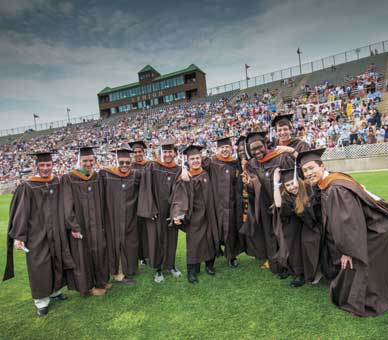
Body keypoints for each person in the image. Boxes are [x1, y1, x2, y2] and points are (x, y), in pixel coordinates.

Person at [298, 149, 388, 316]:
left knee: (361, 265)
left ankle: (368, 301)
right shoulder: (332, 180)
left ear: (322, 166)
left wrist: (348, 251)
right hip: (372, 226)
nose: (309, 173)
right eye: (305, 171)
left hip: (376, 231)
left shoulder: (336, 189)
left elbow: (348, 222)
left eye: (311, 168)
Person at [3, 151, 74, 316]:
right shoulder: (28, 186)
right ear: (37, 167)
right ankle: (41, 302)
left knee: (56, 261)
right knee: (39, 266)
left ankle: (55, 292)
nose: (45, 168)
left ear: (52, 166)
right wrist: (19, 237)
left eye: (48, 165)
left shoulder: (56, 182)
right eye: (42, 165)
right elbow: (21, 212)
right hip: (37, 234)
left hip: (56, 231)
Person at [241, 131, 295, 274]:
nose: (257, 152)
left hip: (282, 204)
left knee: (285, 234)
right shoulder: (252, 164)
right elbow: (253, 184)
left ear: (266, 144)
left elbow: (292, 180)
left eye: (259, 147)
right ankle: (276, 265)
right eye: (253, 150)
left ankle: (290, 265)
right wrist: (249, 184)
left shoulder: (281, 158)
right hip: (264, 205)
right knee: (270, 235)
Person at [62, 146, 110, 296]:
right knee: (84, 256)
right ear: (79, 161)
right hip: (81, 227)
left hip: (96, 224)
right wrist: (74, 226)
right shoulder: (69, 178)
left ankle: (101, 281)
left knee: (99, 251)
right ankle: (88, 288)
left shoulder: (96, 177)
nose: (89, 163)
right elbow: (67, 205)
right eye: (85, 161)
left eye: (91, 160)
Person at [170, 145, 220, 284]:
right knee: (194, 244)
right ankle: (192, 271)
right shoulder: (185, 177)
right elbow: (179, 197)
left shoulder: (207, 172)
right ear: (187, 160)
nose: (196, 161)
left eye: (197, 158)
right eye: (192, 159)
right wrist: (178, 215)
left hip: (209, 215)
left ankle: (209, 266)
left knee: (210, 240)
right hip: (194, 217)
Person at [138, 140, 182, 283]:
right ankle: (158, 269)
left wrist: (177, 211)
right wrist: (151, 209)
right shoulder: (152, 166)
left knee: (172, 239)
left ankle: (171, 266)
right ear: (161, 153)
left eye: (170, 151)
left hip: (171, 211)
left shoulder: (178, 169)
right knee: (156, 240)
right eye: (165, 152)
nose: (168, 154)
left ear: (174, 153)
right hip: (156, 211)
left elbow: (181, 191)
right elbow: (145, 188)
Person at [100, 143, 142, 285]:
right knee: (116, 245)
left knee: (130, 244)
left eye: (127, 162)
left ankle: (129, 269)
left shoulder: (135, 175)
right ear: (116, 162)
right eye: (121, 162)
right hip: (113, 218)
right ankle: (118, 274)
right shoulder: (106, 175)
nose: (124, 165)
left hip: (130, 217)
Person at [201, 136, 243, 267]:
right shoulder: (211, 162)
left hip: (231, 205)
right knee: (214, 231)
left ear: (231, 148)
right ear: (217, 149)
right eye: (222, 147)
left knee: (231, 231)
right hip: (215, 204)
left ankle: (231, 256)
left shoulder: (236, 163)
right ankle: (211, 258)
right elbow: (196, 166)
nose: (224, 150)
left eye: (226, 147)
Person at [129, 140, 150, 265]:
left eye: (139, 151)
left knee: (147, 231)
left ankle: (148, 255)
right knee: (137, 231)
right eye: (135, 152)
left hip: (147, 202)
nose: (137, 154)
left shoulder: (149, 165)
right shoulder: (129, 167)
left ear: (143, 152)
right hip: (134, 203)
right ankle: (140, 256)